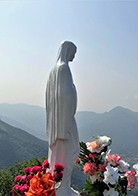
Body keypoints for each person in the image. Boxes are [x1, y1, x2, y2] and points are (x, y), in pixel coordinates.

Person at [47, 41, 81, 196]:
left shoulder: (54, 70)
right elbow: (65, 97)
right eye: (73, 52)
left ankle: (60, 185)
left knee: (60, 155)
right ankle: (63, 188)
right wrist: (65, 127)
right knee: (71, 152)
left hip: (57, 122)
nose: (74, 56)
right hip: (65, 122)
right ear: (68, 50)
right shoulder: (63, 68)